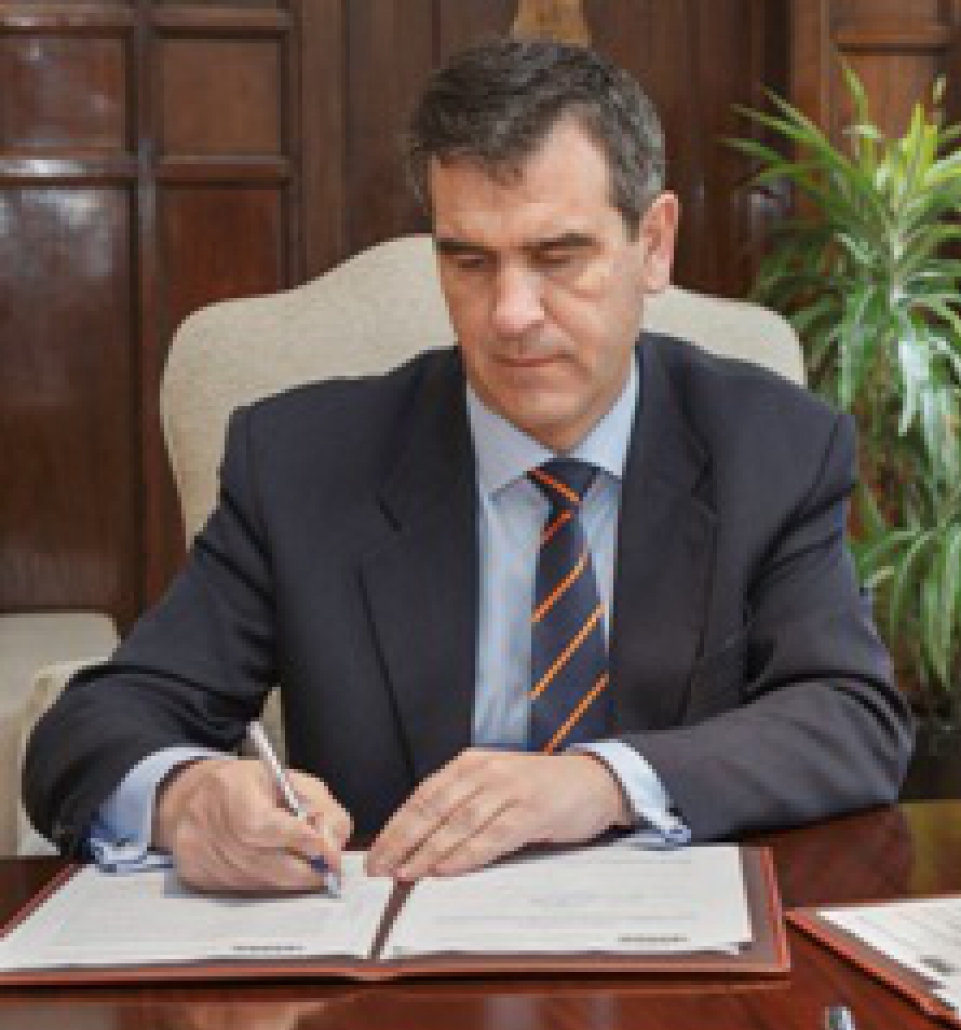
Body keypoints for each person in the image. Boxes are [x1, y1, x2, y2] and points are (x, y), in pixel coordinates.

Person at [24, 38, 911, 893]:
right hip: (392, 953)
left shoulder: (773, 447)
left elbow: (851, 718)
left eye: (557, 257)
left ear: (653, 244)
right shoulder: (303, 463)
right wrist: (189, 799)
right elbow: (92, 727)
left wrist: (602, 780)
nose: (510, 314)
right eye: (470, 262)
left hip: (684, 953)